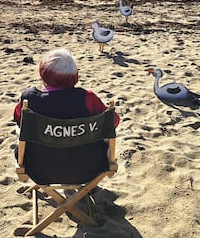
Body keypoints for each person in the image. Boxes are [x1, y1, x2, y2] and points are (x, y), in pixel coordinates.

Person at [13, 48, 120, 184]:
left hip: (39, 170)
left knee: (21, 132)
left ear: (43, 74)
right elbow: (112, 121)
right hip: (88, 169)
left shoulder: (30, 99)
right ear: (75, 76)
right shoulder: (87, 98)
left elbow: (19, 120)